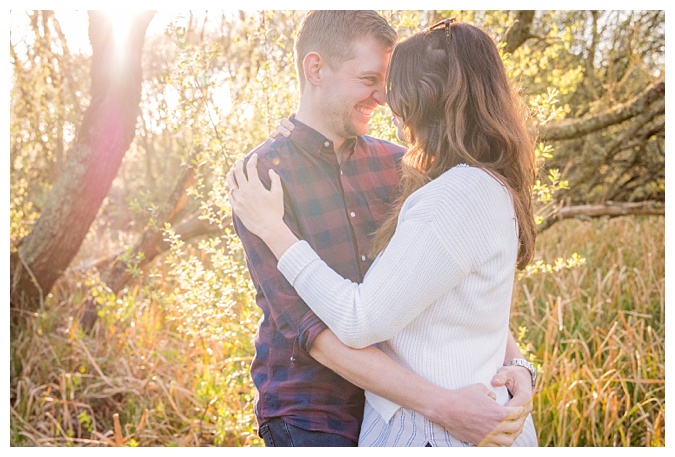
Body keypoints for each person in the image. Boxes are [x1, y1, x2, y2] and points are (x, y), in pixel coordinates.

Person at [228, 11, 536, 447]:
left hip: (412, 416)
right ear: (315, 69)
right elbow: (311, 330)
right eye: (369, 78)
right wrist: (442, 406)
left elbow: (450, 288)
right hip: (315, 413)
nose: (386, 97)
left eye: (388, 82)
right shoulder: (263, 178)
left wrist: (519, 365)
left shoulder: (404, 165)